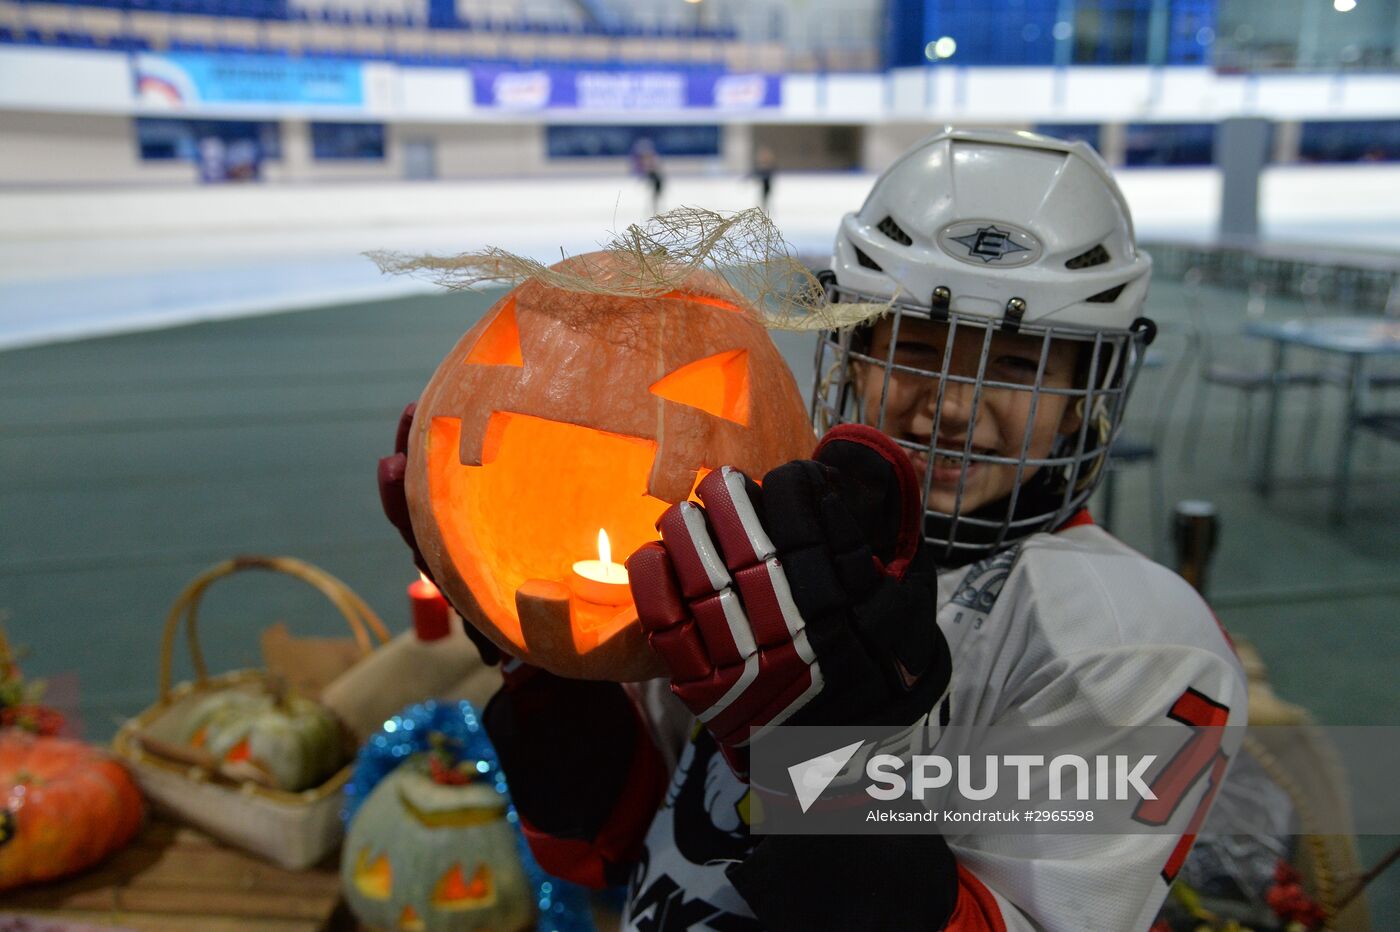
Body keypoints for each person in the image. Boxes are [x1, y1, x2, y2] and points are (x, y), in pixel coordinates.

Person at [379, 128, 1247, 931]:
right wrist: (555, 677)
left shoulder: (1131, 643)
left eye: (1017, 364)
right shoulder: (756, 537)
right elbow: (616, 844)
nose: (949, 405)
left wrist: (822, 764)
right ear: (854, 350)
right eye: (913, 346)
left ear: (1087, 396)